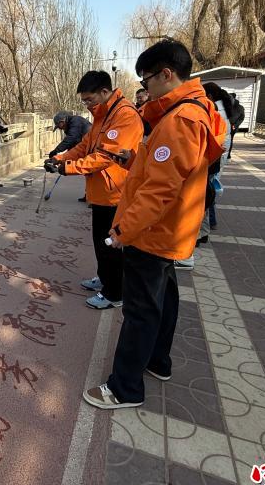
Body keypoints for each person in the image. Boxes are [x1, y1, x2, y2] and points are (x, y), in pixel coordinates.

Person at [83, 39, 226, 410]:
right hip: (172, 230)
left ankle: (124, 388)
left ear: (166, 74)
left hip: (154, 232)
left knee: (140, 311)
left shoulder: (180, 120)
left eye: (147, 81)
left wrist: (120, 233)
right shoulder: (194, 111)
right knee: (164, 300)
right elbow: (164, 173)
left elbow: (159, 191)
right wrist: (136, 160)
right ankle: (158, 361)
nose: (144, 90)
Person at [45, 71, 143, 310]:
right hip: (100, 191)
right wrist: (60, 158)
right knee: (100, 242)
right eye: (84, 101)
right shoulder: (101, 115)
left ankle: (114, 292)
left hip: (116, 191)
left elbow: (106, 157)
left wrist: (68, 168)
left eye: (90, 99)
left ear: (104, 92)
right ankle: (105, 278)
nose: (87, 105)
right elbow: (84, 146)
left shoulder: (124, 115)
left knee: (111, 244)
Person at [175, 82, 232, 270]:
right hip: (207, 166)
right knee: (202, 203)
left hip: (206, 167)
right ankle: (200, 235)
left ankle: (188, 251)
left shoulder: (197, 113)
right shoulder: (210, 110)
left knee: (197, 205)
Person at [49, 111, 92, 202]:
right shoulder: (69, 126)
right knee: (88, 174)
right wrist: (62, 160)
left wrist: (56, 150)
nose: (60, 129)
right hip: (84, 147)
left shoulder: (75, 121)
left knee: (91, 173)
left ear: (62, 121)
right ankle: (89, 195)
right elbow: (72, 146)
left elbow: (71, 139)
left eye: (59, 126)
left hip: (92, 147)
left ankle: (92, 198)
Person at [227, 92, 245, 159]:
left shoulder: (240, 107)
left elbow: (241, 118)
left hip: (233, 127)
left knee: (230, 140)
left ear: (233, 98)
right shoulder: (227, 105)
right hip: (225, 125)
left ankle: (228, 154)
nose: (229, 98)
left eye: (230, 97)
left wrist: (235, 125)